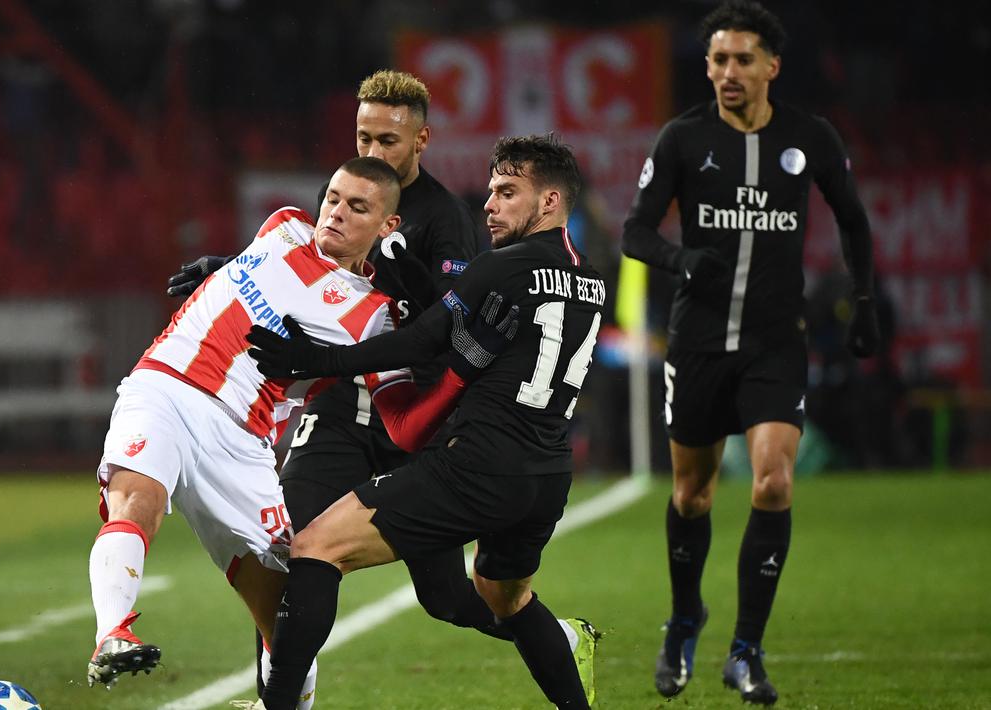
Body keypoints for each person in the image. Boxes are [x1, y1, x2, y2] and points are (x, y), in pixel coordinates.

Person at [169, 71, 589, 681]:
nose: (371, 154)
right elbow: (298, 264)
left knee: (444, 599)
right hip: (339, 413)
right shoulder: (346, 188)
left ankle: (555, 639)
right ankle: (283, 695)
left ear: (422, 140)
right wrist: (222, 268)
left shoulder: (449, 220)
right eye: (364, 136)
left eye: (388, 142)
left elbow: (444, 336)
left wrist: (387, 312)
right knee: (296, 553)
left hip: (408, 427)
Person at [86, 157, 503, 707]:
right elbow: (261, 274)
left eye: (358, 207)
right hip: (165, 384)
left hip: (241, 440)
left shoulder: (375, 317)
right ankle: (113, 633)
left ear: (387, 228)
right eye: (332, 197)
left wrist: (463, 375)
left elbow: (402, 424)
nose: (336, 213)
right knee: (138, 498)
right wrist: (216, 267)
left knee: (282, 612)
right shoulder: (282, 224)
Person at [244, 134, 605, 710]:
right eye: (491, 191)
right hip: (547, 475)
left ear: (550, 202)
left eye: (508, 193)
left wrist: (317, 360)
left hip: (476, 467)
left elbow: (419, 338)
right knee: (503, 598)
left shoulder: (500, 266)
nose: (490, 204)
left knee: (313, 547)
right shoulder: (590, 279)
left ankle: (279, 705)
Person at [620, 1, 879, 704]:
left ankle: (745, 651)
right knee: (691, 494)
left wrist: (863, 302)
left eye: (741, 59)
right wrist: (681, 260)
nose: (727, 72)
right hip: (698, 343)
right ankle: (682, 620)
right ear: (705, 67)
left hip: (773, 344)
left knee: (772, 483)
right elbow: (634, 234)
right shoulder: (681, 139)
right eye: (716, 60)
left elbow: (853, 222)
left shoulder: (809, 138)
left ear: (770, 65)